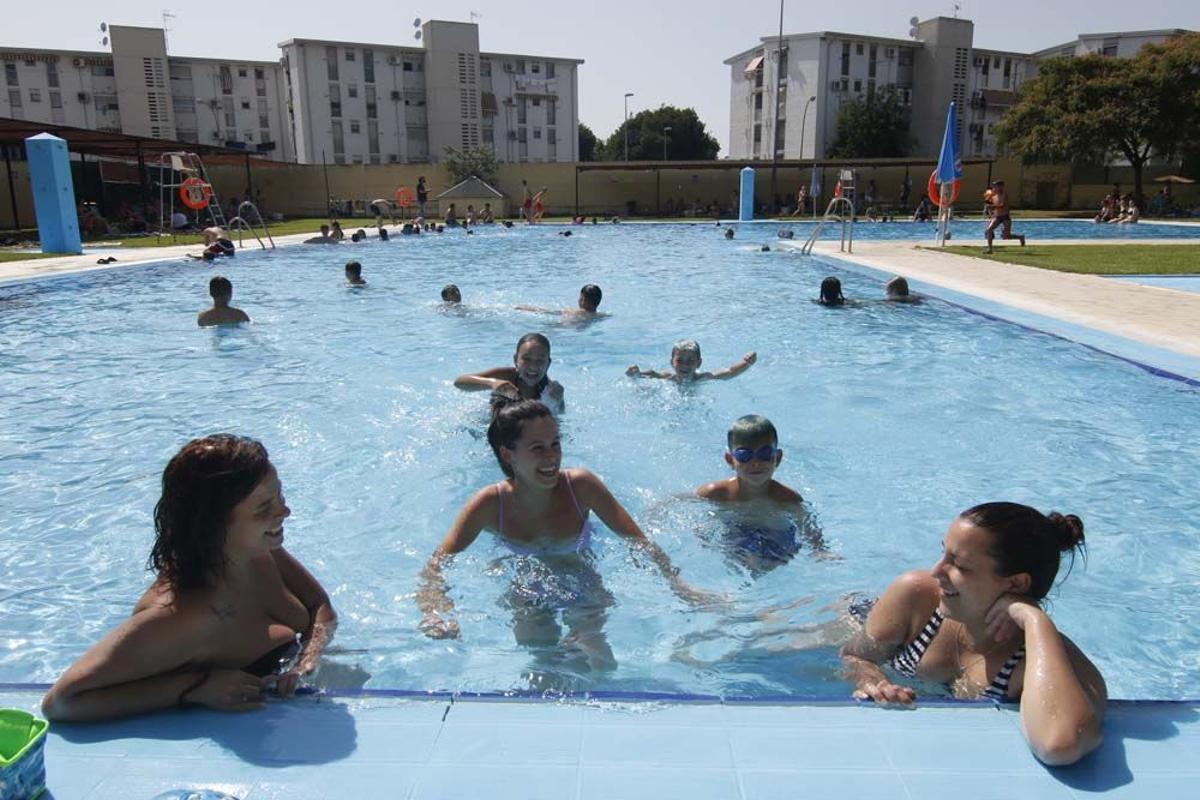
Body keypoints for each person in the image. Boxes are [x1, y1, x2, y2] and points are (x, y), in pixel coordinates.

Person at [41, 435, 337, 721]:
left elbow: (318, 605)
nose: (285, 511)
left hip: (299, 694)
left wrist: (307, 660)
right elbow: (62, 702)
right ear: (215, 526)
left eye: (279, 496)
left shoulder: (257, 550)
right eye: (263, 508)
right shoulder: (176, 617)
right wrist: (195, 688)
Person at [416, 399, 718, 666]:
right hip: (525, 586)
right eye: (537, 448)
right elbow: (437, 566)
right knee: (540, 655)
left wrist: (680, 586)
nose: (551, 457)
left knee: (599, 661)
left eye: (555, 444)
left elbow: (637, 540)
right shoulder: (490, 504)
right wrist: (436, 610)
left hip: (582, 580)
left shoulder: (581, 486)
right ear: (508, 455)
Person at [840, 502, 1106, 765]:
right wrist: (874, 682)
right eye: (943, 553)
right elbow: (854, 655)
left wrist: (1035, 620)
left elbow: (1059, 745)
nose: (936, 571)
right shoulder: (918, 597)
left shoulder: (1044, 659)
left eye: (959, 566)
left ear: (1017, 583)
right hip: (857, 616)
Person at [694, 415, 826, 573]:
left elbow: (808, 525)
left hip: (778, 535)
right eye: (744, 455)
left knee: (773, 563)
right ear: (730, 460)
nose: (755, 463)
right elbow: (678, 504)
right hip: (737, 532)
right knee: (745, 559)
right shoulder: (716, 493)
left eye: (764, 454)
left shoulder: (787, 499)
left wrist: (820, 550)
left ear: (777, 458)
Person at [454, 332, 566, 413]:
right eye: (526, 359)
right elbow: (459, 382)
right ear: (515, 360)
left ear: (548, 364)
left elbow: (558, 421)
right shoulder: (505, 376)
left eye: (540, 361)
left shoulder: (550, 391)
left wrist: (557, 402)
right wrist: (492, 383)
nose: (533, 366)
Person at [626, 339, 756, 382]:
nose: (685, 365)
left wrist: (747, 362)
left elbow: (730, 371)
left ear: (699, 363)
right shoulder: (669, 377)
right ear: (672, 362)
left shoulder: (703, 378)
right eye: (680, 360)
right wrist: (637, 374)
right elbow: (653, 374)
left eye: (690, 361)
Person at [517, 284, 606, 322]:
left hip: (563, 327)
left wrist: (527, 308)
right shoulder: (602, 316)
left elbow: (548, 312)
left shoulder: (574, 312)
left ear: (582, 300)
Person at [983, 180, 1026, 253]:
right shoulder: (994, 196)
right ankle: (990, 249)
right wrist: (989, 211)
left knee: (1006, 236)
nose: (994, 188)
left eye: (996, 186)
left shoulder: (1004, 195)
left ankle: (1020, 237)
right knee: (989, 230)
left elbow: (1001, 205)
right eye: (994, 186)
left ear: (1001, 187)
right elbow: (993, 208)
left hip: (1005, 216)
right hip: (997, 217)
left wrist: (991, 206)